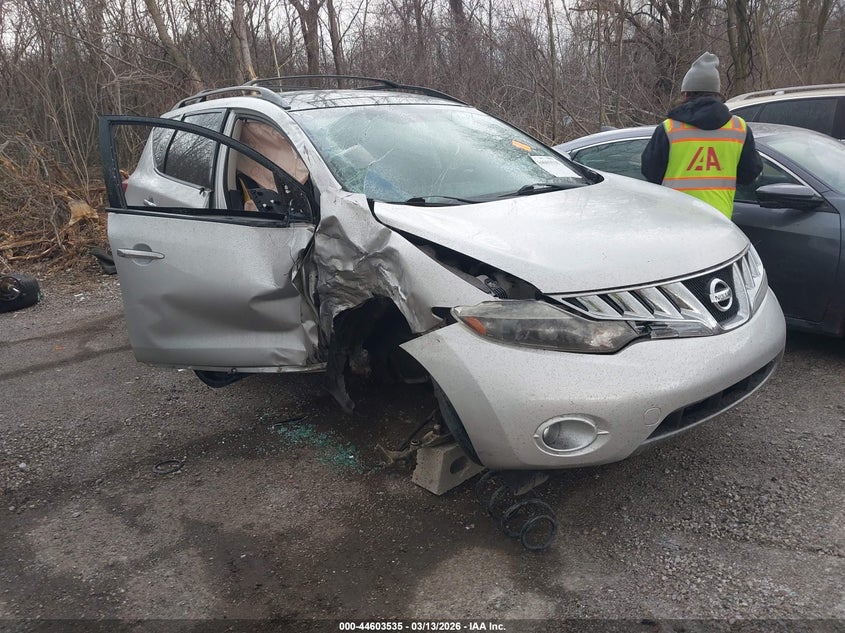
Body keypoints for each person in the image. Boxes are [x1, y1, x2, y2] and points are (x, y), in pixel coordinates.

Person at [641, 52, 763, 219]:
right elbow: (749, 174)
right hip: (719, 219)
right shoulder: (739, 128)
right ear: (717, 93)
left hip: (674, 220)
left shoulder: (669, 129)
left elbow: (650, 172)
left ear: (686, 93)